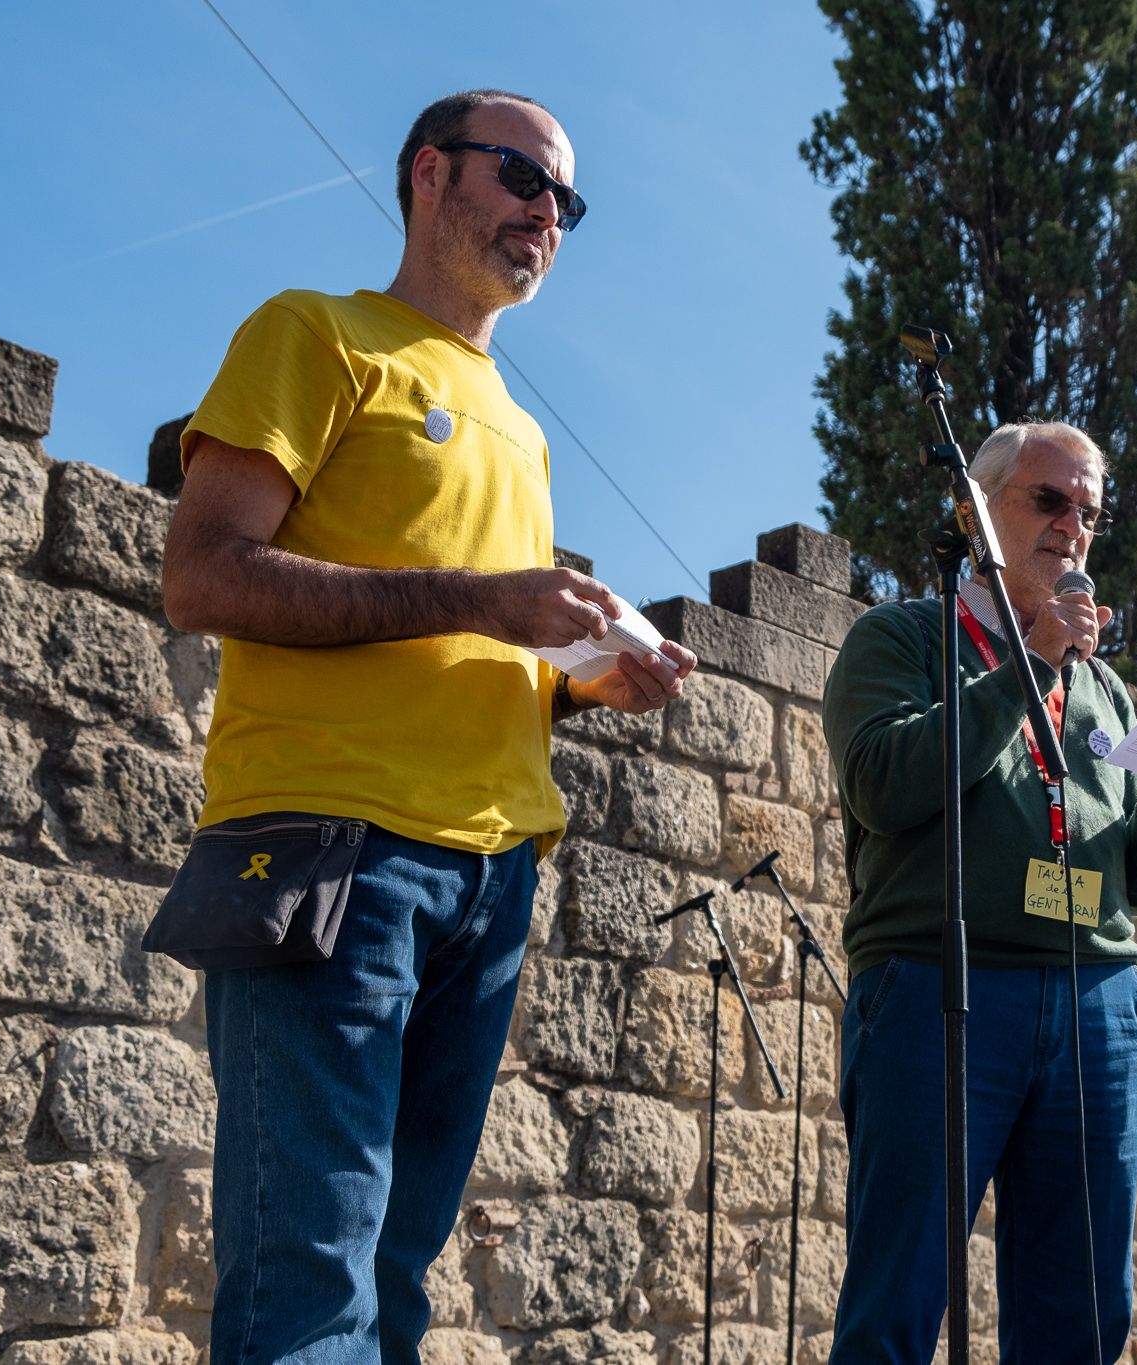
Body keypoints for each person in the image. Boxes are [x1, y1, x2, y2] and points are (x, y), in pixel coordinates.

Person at [161, 89, 696, 1363]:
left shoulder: (517, 424)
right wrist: (484, 598)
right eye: (521, 177)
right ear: (427, 175)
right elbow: (203, 576)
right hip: (330, 850)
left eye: (566, 201)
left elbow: (473, 642)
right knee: (307, 1266)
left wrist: (581, 680)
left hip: (492, 880)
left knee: (396, 1273)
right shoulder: (316, 333)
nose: (545, 214)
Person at [820, 421, 1137, 1362]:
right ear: (977, 511)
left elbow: (1136, 876)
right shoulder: (901, 637)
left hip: (1097, 1003)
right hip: (940, 988)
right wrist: (1030, 666)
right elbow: (884, 784)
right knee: (898, 1298)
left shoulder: (1108, 692)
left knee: (1082, 1315)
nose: (1072, 527)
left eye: (1088, 512)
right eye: (1049, 500)